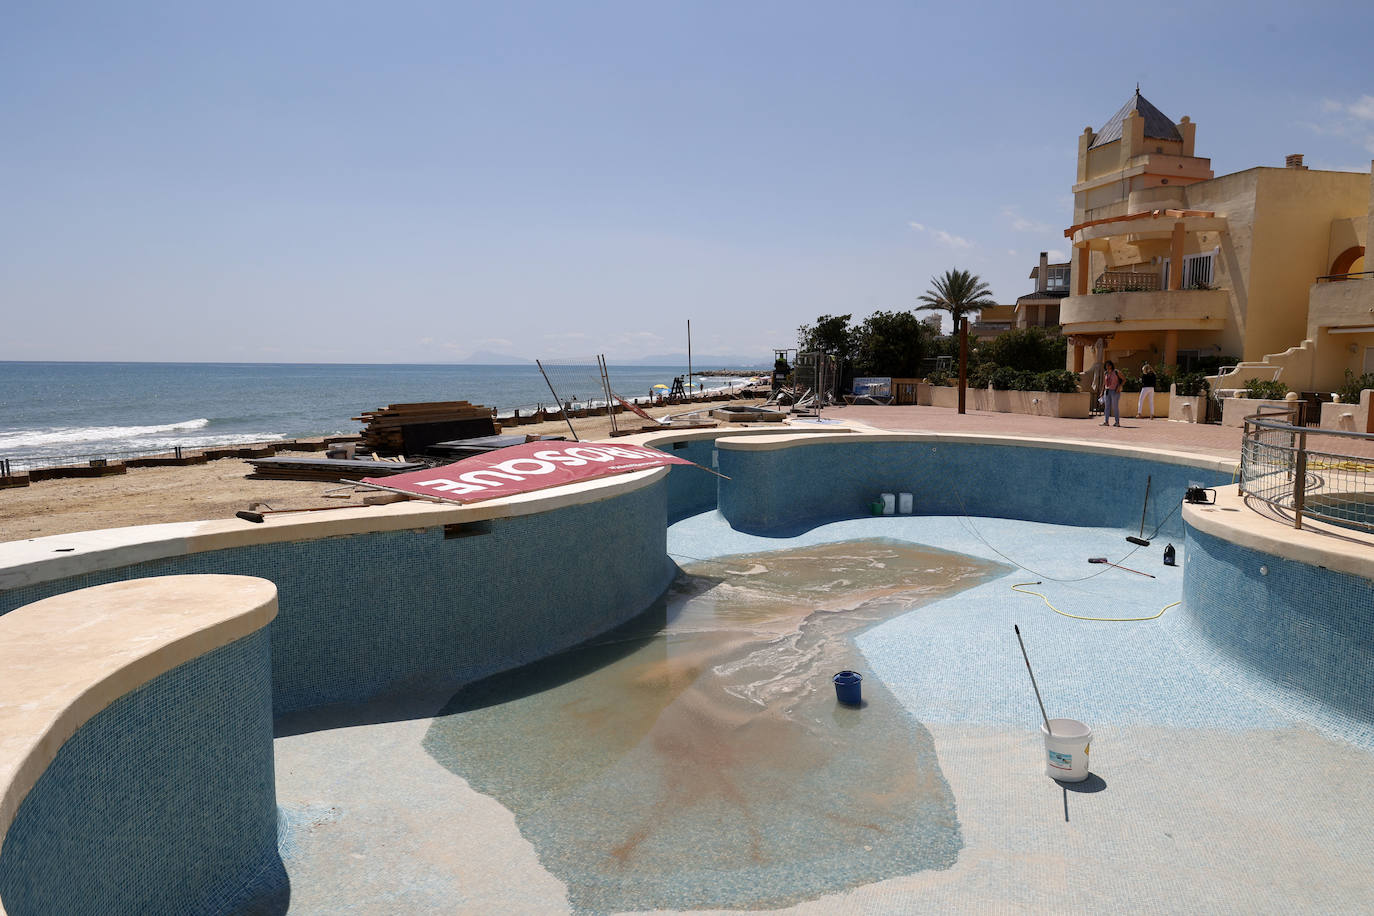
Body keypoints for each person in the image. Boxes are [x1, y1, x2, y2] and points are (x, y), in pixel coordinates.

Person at [1102, 360, 1123, 427]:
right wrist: (1102, 392)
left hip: (1114, 391)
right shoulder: (1105, 373)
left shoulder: (1116, 372)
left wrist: (1119, 386)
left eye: (1109, 365)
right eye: (1106, 365)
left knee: (1115, 407)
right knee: (1107, 407)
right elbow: (1104, 383)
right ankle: (1106, 421)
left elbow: (1124, 379)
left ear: (1111, 365)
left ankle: (1117, 422)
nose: (1107, 366)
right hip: (1107, 391)